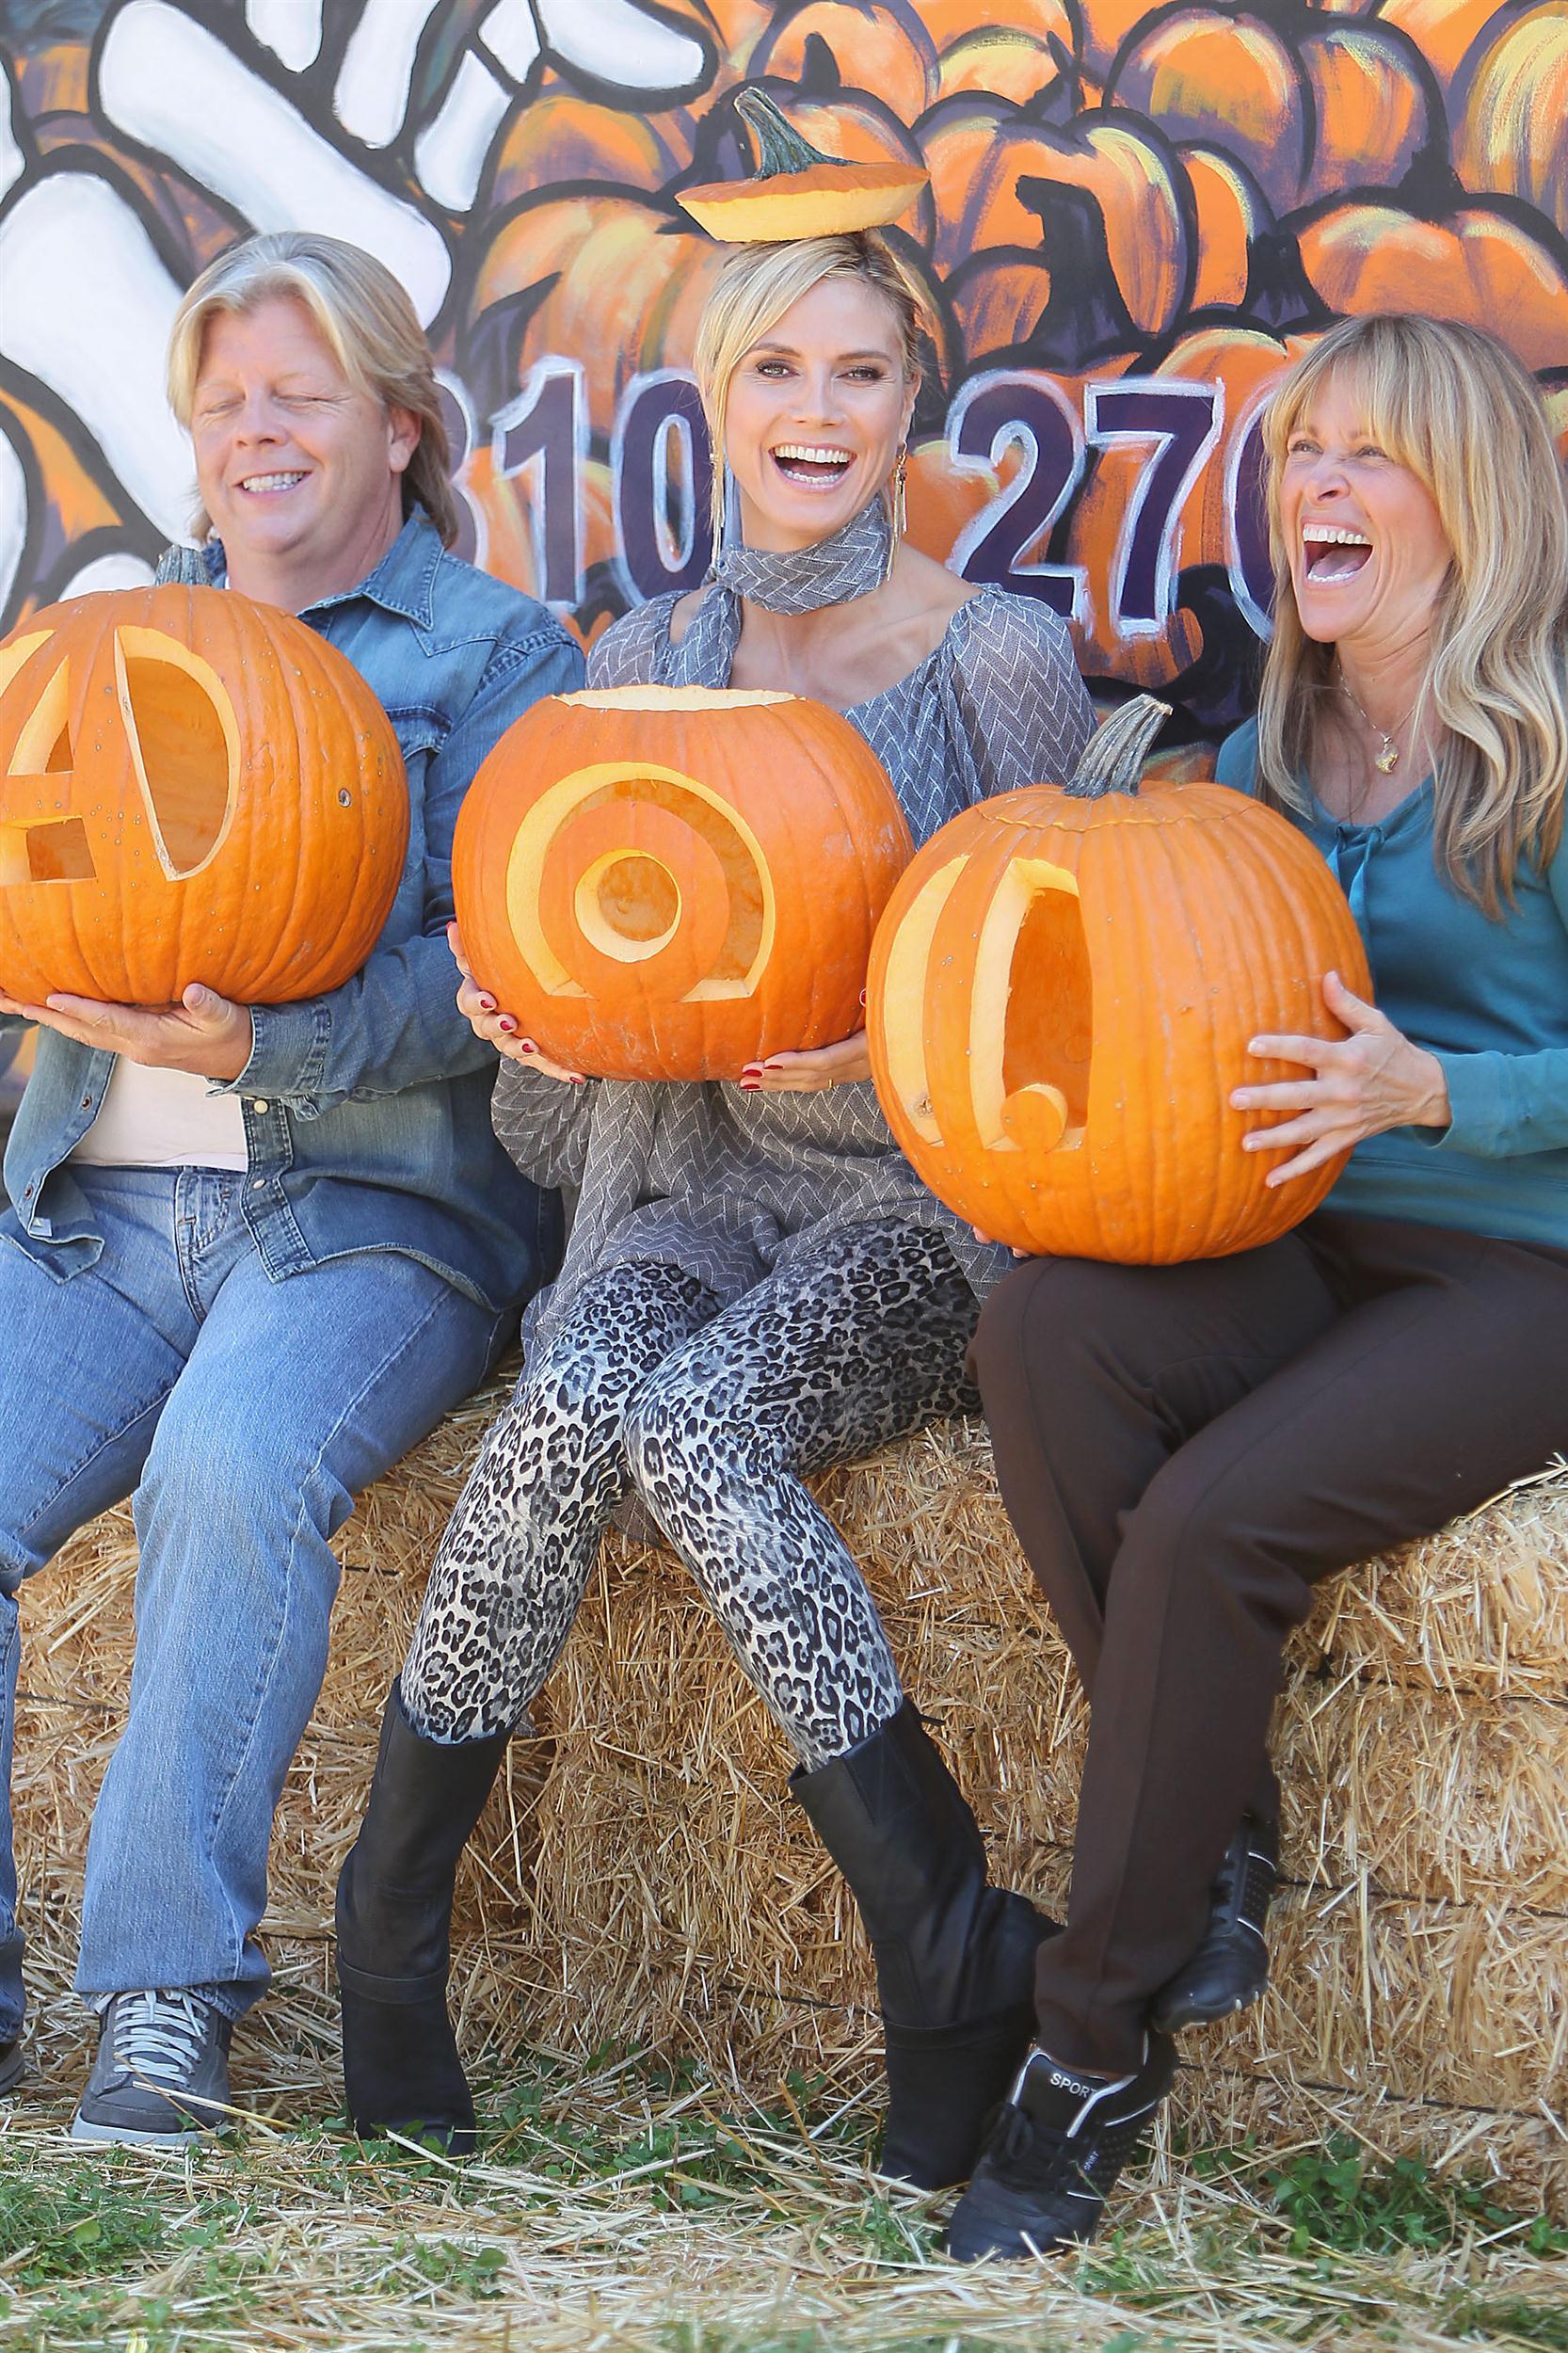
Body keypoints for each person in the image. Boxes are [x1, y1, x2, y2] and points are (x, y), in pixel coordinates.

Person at [334, 224, 1096, 2186]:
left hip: (909, 1218)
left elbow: (1067, 1015)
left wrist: (869, 1056)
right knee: (563, 1413)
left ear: (910, 401)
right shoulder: (637, 668)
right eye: (775, 373)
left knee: (693, 1426)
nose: (815, 414)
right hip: (681, 1189)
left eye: (855, 374)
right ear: (710, 402)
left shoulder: (992, 661)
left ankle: (939, 1949)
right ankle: (387, 1935)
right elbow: (570, 1098)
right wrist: (535, 1024)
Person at [950, 312, 1568, 2260]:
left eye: (1367, 456)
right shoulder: (1250, 756)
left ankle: (1082, 2050)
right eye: (1298, 453)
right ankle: (1212, 1827)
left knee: (1211, 1520)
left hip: (1516, 1261)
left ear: (1464, 499)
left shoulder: (1550, 736)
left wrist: (1444, 1084)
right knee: (1039, 1327)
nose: (1316, 488)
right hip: (1297, 1236)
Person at [0, 232, 581, 2142]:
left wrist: (273, 1044)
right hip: (110, 1205)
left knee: (229, 1472)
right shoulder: (111, 636)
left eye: (298, 395)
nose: (255, 432)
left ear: (397, 427)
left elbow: (505, 979)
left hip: (368, 1210)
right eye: (225, 400)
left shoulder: (492, 655)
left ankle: (165, 2000)